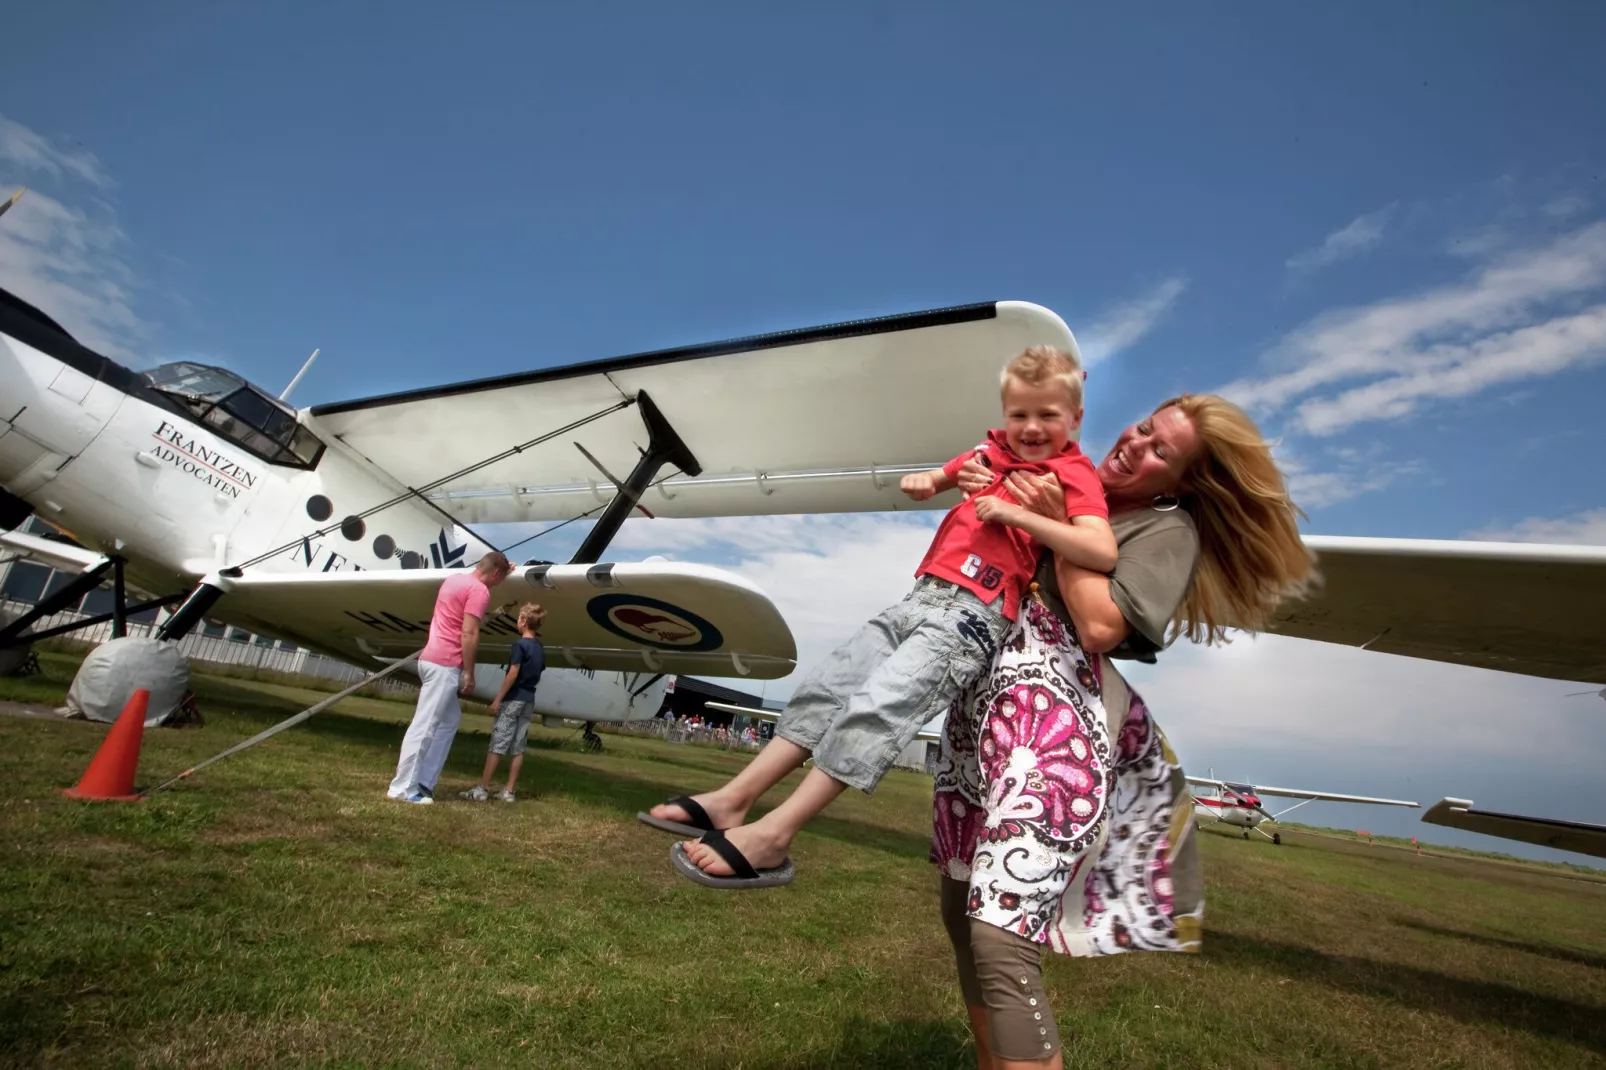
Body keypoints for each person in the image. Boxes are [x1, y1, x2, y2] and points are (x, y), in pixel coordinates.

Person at [642, 346, 1118, 888]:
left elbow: (1099, 550)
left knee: (876, 708)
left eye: (1048, 416)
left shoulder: (1072, 472)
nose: (1031, 428)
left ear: (1075, 419)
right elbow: (943, 475)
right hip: (920, 596)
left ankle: (776, 834)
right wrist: (927, 481)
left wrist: (1013, 511)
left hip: (973, 615)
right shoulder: (990, 451)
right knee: (828, 687)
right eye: (1019, 414)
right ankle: (734, 798)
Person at [934, 394, 1315, 1069]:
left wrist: (1054, 524)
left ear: (1182, 482)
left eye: (1161, 450)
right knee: (962, 913)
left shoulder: (1166, 531)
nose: (1137, 445)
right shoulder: (1065, 478)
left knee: (1000, 939)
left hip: (1051, 737)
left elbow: (1100, 626)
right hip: (984, 720)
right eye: (1144, 428)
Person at [386, 551, 513, 804]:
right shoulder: (479, 592)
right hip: (445, 664)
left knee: (449, 719)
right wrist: (469, 671)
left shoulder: (453, 580)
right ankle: (403, 789)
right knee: (425, 726)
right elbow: (469, 632)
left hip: (430, 659)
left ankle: (424, 782)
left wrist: (504, 569)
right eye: (500, 578)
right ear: (496, 574)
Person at [461, 601, 546, 803]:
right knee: (518, 747)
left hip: (513, 699)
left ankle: (483, 789)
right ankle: (509, 791)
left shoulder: (519, 645)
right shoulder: (539, 647)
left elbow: (513, 673)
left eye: (519, 618)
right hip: (528, 700)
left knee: (498, 744)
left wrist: (497, 700)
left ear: (523, 621)